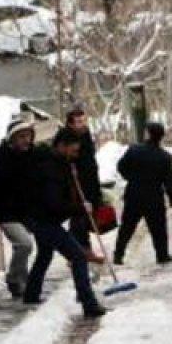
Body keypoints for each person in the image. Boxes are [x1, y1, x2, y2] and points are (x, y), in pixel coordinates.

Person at [24, 128, 107, 318]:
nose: (75, 155)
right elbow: (54, 203)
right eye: (73, 151)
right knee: (78, 256)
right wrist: (79, 208)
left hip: (41, 218)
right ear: (62, 146)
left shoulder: (59, 163)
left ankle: (31, 295)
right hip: (44, 220)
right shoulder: (50, 168)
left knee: (44, 255)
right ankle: (89, 304)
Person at [0, 116, 37, 298]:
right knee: (24, 244)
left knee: (28, 245)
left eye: (28, 136)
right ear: (12, 138)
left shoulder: (31, 156)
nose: (26, 140)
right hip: (5, 212)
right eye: (21, 136)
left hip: (25, 212)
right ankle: (13, 279)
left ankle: (23, 282)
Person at [114, 122, 172, 266]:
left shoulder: (134, 150)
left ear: (148, 134)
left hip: (134, 194)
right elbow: (169, 180)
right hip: (154, 196)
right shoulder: (164, 157)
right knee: (159, 228)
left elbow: (121, 166)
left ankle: (118, 254)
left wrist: (131, 178)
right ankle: (162, 255)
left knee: (127, 227)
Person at [64, 107, 102, 250]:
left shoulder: (85, 134)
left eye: (84, 120)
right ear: (71, 124)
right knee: (80, 216)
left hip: (90, 179)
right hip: (76, 182)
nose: (83, 124)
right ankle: (82, 248)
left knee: (87, 215)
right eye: (79, 121)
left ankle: (76, 247)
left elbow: (89, 156)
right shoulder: (66, 137)